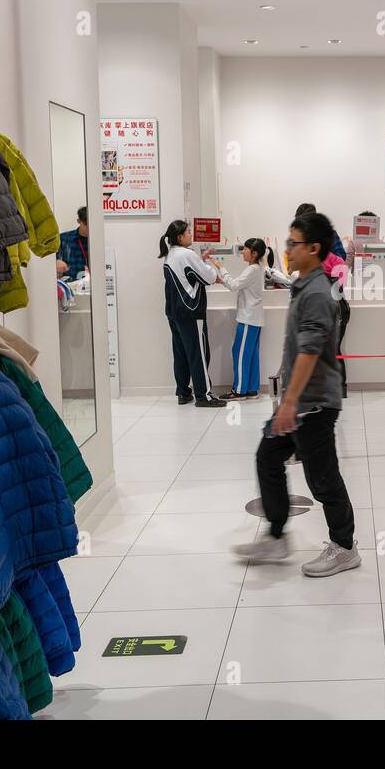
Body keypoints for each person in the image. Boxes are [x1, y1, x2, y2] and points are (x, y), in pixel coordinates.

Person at [233, 211, 360, 577]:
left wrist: (289, 404)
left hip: (314, 405)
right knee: (268, 457)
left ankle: (345, 546)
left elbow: (308, 351)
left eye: (294, 243)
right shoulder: (304, 284)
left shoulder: (319, 292)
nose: (287, 249)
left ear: (314, 248)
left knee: (323, 479)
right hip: (298, 402)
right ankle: (276, 536)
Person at [160, 219, 227, 408]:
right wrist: (208, 265)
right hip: (190, 312)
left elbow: (190, 275)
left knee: (181, 353)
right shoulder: (187, 254)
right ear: (180, 237)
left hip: (174, 312)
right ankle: (203, 396)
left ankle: (183, 392)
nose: (191, 234)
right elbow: (208, 277)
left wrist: (201, 259)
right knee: (198, 353)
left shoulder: (171, 254)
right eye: (188, 232)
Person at [294, 202, 351, 397]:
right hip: (328, 301)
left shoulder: (323, 244)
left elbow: (340, 265)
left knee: (329, 348)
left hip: (331, 303)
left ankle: (334, 388)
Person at [215, 238, 268, 400]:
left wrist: (222, 269)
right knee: (251, 354)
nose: (242, 251)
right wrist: (223, 280)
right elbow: (237, 284)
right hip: (254, 319)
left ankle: (238, 391)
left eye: (245, 249)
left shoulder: (252, 269)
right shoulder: (258, 268)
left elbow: (234, 285)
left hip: (248, 319)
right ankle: (251, 389)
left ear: (254, 253)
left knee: (239, 353)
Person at [56, 206, 89, 280]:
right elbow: (52, 261)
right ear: (79, 221)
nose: (89, 228)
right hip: (69, 286)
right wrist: (56, 262)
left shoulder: (97, 241)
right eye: (86, 224)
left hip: (92, 286)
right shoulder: (64, 239)